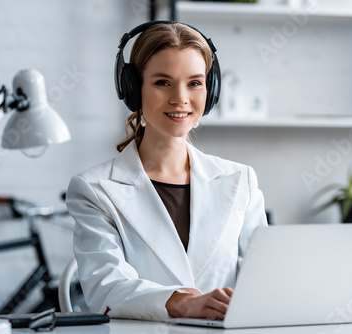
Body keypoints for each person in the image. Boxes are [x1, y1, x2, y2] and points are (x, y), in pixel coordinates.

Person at [66, 21, 267, 322]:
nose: (181, 98)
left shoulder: (241, 181)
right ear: (133, 91)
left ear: (210, 92)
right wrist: (183, 304)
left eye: (195, 83)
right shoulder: (95, 189)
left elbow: (265, 280)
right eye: (163, 82)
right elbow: (105, 288)